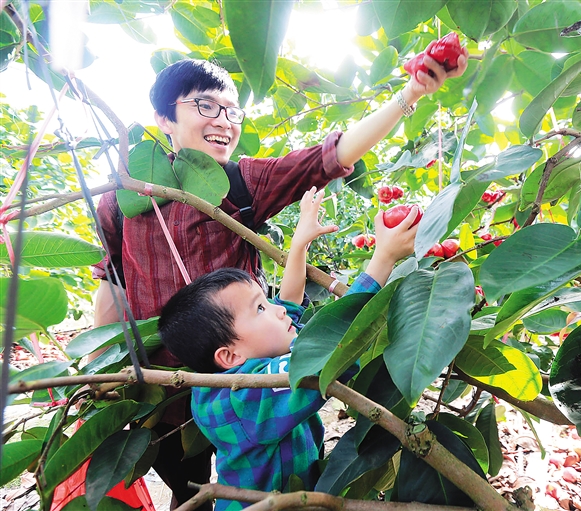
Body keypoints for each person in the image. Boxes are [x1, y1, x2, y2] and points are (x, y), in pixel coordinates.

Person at [91, 53, 467, 509]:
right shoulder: (122, 199)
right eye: (205, 105)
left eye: (231, 110)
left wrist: (410, 94)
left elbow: (328, 158)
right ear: (163, 118)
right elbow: (112, 280)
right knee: (185, 486)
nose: (223, 121)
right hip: (162, 390)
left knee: (225, 478)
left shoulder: (242, 182)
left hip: (244, 366)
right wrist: (100, 366)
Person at [157, 188, 419, 511]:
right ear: (230, 356)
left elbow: (289, 304)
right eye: (260, 308)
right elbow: (332, 352)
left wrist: (300, 243)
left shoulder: (244, 362)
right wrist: (383, 259)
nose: (277, 310)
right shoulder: (244, 397)